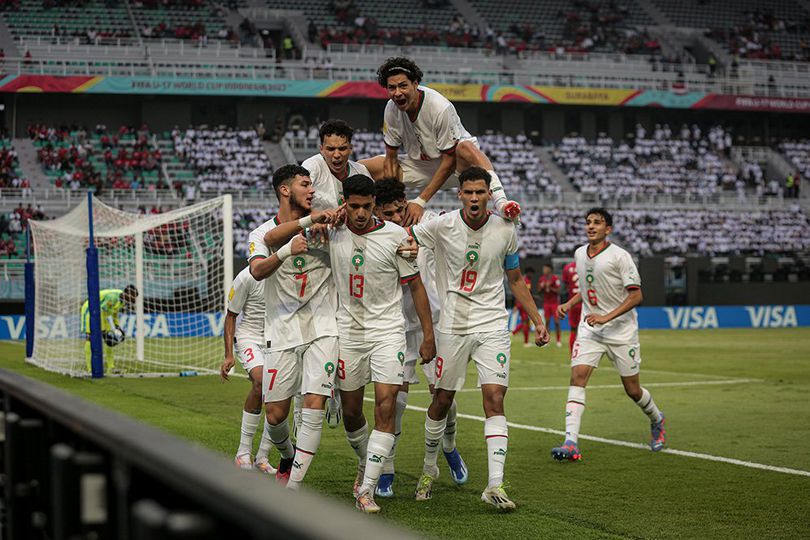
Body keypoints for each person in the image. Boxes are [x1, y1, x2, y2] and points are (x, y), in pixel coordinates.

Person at [408, 167, 550, 511]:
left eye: (479, 192)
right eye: (468, 192)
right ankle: (429, 469)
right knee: (441, 399)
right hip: (453, 325)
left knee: (495, 398)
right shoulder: (441, 225)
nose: (474, 198)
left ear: (490, 195)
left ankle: (495, 484)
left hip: (492, 323)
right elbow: (407, 239)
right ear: (459, 194)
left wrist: (537, 318)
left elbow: (515, 278)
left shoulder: (506, 229)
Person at [328, 174, 435, 513]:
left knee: (386, 406)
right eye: (354, 206)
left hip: (389, 332)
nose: (360, 213)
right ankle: (366, 461)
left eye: (367, 206)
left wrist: (428, 335)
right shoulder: (330, 232)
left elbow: (416, 287)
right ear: (344, 203)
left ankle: (368, 489)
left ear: (374, 204)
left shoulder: (396, 237)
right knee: (351, 413)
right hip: (348, 333)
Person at [247, 164, 342, 490]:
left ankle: (294, 487)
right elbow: (258, 271)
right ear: (285, 190)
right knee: (274, 415)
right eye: (305, 184)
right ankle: (287, 455)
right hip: (281, 329)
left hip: (323, 327)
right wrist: (290, 247)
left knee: (314, 403)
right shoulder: (259, 234)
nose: (312, 190)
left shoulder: (326, 225)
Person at [371, 178, 467, 499]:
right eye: (388, 214)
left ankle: (450, 448)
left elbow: (459, 227)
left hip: (437, 323)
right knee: (393, 401)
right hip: (396, 326)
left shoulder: (429, 223)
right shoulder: (374, 236)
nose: (397, 218)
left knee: (442, 395)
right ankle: (387, 470)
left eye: (400, 210)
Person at [552, 208, 666, 463]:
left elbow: (637, 295)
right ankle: (571, 442)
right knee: (577, 377)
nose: (591, 226)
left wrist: (607, 316)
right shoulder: (580, 254)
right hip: (590, 329)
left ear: (608, 229)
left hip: (621, 332)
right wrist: (569, 305)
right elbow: (586, 288)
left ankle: (657, 419)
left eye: (597, 223)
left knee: (633, 389)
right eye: (588, 222)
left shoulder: (620, 256)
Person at [360, 57, 520, 226]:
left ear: (415, 83)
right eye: (391, 88)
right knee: (365, 166)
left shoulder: (439, 107)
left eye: (403, 85)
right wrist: (394, 199)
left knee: (466, 147)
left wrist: (420, 201)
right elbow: (391, 157)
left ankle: (502, 203)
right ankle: (344, 208)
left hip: (458, 167)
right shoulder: (391, 109)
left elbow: (449, 160)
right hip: (422, 164)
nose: (397, 92)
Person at [220, 267, 277, 475]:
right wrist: (228, 355)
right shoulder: (246, 277)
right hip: (250, 338)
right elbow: (231, 315)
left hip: (278, 339)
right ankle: (243, 452)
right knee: (262, 382)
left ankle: (262, 456)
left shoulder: (287, 269)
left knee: (278, 395)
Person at [304, 119, 371, 211]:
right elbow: (297, 202)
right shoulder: (312, 167)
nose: (336, 155)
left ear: (350, 148)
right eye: (331, 149)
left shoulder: (361, 171)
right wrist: (313, 217)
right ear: (321, 149)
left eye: (342, 149)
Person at [81, 285, 138, 373]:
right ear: (127, 294)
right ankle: (90, 369)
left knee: (110, 339)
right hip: (90, 310)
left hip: (104, 313)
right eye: (133, 296)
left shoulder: (123, 301)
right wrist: (103, 331)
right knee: (90, 338)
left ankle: (111, 367)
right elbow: (101, 311)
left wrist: (117, 327)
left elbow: (114, 313)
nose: (134, 300)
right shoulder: (112, 297)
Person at [538, 264, 562, 347]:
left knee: (556, 322)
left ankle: (558, 340)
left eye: (545, 268)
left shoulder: (555, 279)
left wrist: (550, 287)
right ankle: (546, 340)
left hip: (554, 303)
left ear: (550, 269)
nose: (544, 270)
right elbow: (539, 291)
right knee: (547, 322)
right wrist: (542, 287)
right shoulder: (542, 279)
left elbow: (559, 291)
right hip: (546, 303)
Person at [561, 260, 581, 353]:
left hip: (572, 303)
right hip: (586, 303)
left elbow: (565, 286)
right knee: (587, 331)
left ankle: (573, 353)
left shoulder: (567, 268)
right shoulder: (588, 265)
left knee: (573, 330)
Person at [512, 266, 534, 347]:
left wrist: (516, 304)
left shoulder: (522, 279)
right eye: (531, 274)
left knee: (525, 322)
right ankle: (526, 342)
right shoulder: (527, 281)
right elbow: (527, 293)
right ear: (529, 273)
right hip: (523, 303)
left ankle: (513, 333)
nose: (532, 275)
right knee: (525, 322)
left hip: (520, 302)